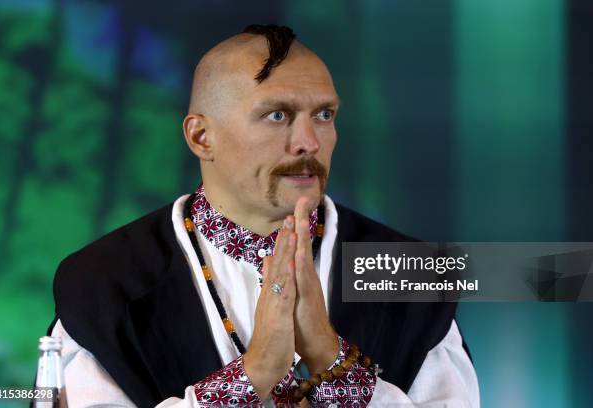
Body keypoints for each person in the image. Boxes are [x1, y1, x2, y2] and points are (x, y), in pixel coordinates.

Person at [47, 25, 479, 407]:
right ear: (201, 136)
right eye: (277, 115)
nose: (309, 141)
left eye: (324, 115)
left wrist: (335, 363)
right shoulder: (102, 284)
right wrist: (248, 379)